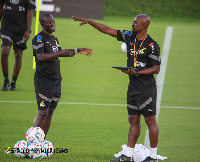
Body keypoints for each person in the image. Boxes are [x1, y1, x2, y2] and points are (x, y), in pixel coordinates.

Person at [72, 14, 160, 162]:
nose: (132, 25)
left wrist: (137, 72)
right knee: (133, 119)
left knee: (150, 121)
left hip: (146, 88)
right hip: (133, 86)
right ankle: (128, 155)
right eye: (133, 22)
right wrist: (90, 21)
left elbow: (156, 68)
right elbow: (107, 30)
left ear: (144, 26)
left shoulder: (151, 45)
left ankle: (153, 156)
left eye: (135, 23)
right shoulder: (129, 36)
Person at [32, 13, 93, 137]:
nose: (52, 24)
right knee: (42, 112)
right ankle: (31, 142)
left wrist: (76, 50)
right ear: (42, 24)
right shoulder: (38, 38)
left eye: (53, 21)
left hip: (56, 80)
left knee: (50, 112)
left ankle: (42, 143)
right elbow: (40, 56)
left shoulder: (54, 38)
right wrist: (60, 53)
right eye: (49, 22)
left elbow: (61, 53)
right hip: (44, 80)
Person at [0, 0, 36, 91]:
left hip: (21, 29)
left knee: (18, 54)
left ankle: (13, 82)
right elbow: (1, 8)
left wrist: (28, 30)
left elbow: (29, 12)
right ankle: (6, 80)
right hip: (6, 27)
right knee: (4, 51)